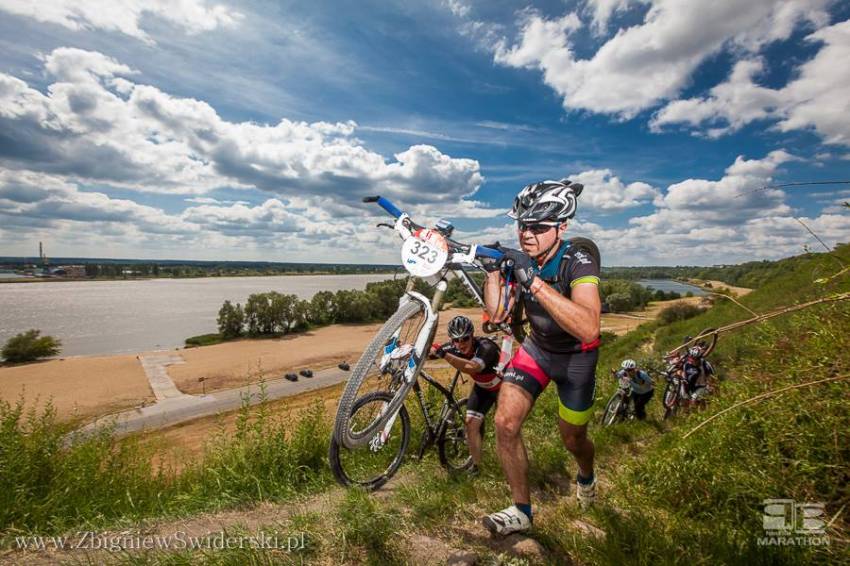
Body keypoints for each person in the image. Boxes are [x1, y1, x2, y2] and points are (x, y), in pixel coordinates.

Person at [480, 179, 602, 535]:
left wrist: (531, 279)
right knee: (504, 423)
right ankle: (521, 511)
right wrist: (493, 274)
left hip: (577, 359)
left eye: (537, 227)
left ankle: (586, 475)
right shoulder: (522, 260)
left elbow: (589, 327)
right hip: (538, 349)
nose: (526, 234)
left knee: (573, 440)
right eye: (522, 225)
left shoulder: (578, 262)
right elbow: (498, 314)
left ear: (562, 227)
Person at [431, 315, 502, 474]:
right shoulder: (454, 347)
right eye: (456, 340)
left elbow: (472, 367)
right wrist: (408, 350)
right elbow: (430, 353)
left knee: (504, 428)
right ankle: (477, 467)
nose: (461, 343)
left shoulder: (486, 347)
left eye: (465, 338)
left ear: (472, 335)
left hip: (503, 389)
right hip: (483, 388)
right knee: (470, 424)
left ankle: (509, 465)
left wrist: (444, 355)